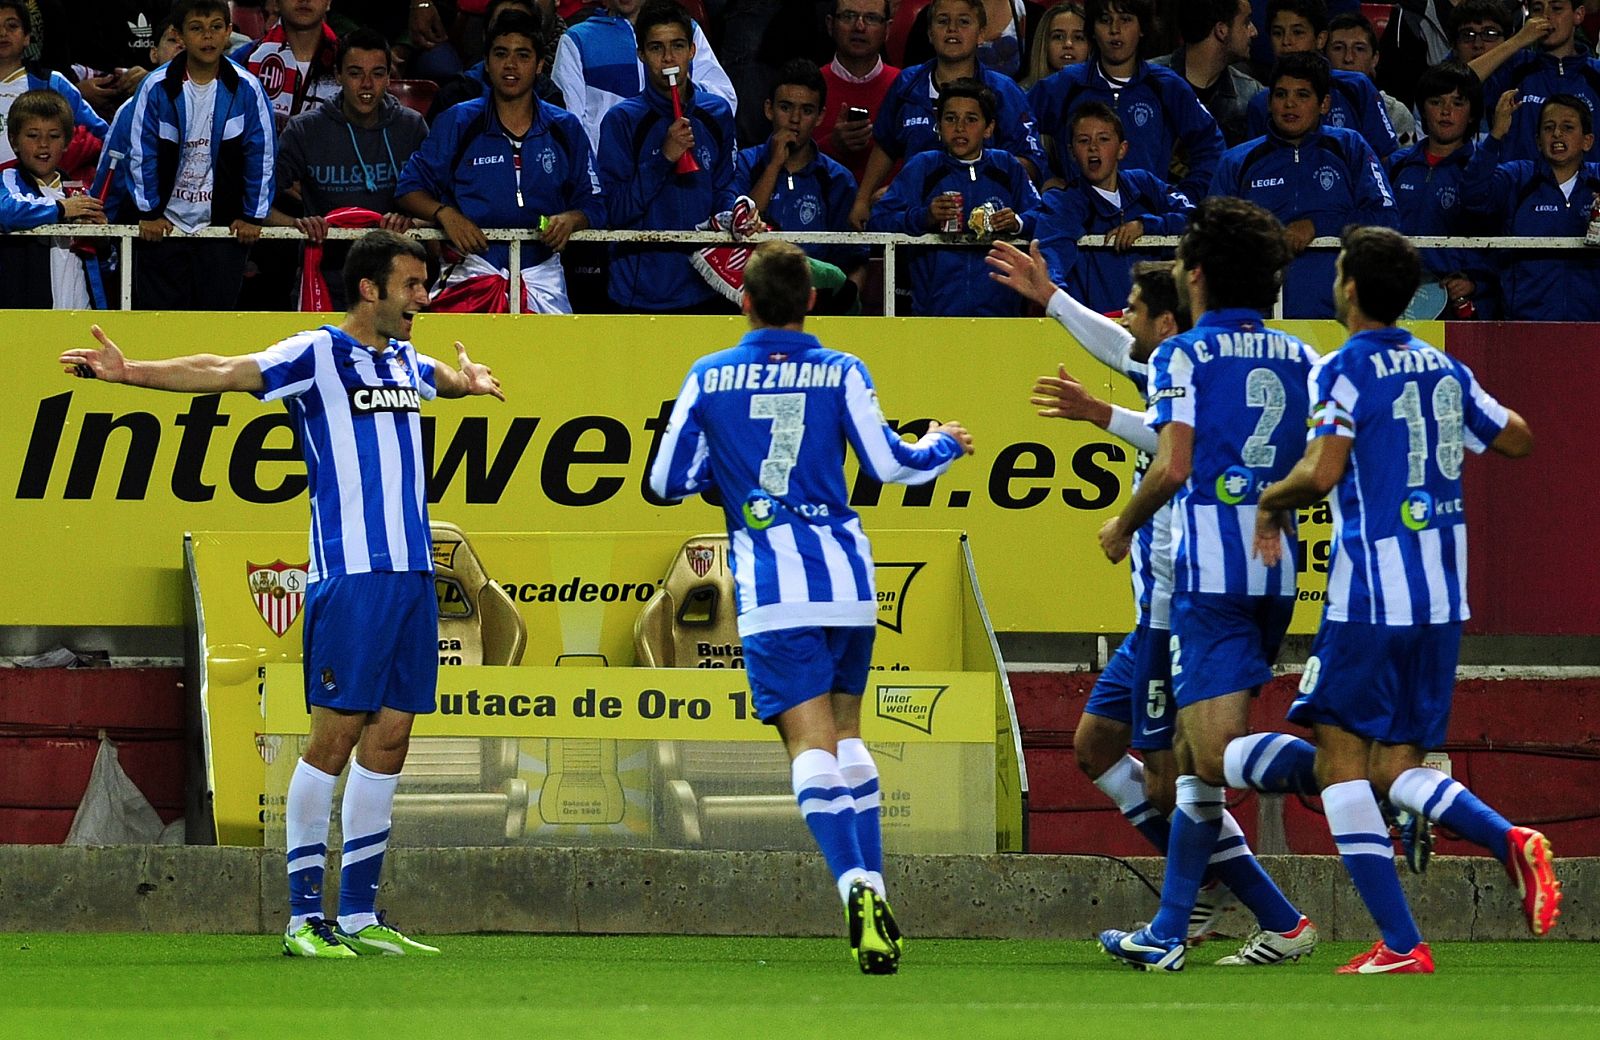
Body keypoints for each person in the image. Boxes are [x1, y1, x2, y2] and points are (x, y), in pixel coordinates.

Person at [57, 228, 506, 958]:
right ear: (370, 289)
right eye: (413, 285)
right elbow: (223, 368)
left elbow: (441, 380)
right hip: (350, 579)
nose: (424, 297)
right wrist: (128, 371)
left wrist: (469, 383)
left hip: (414, 577)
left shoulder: (403, 360)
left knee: (392, 736)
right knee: (334, 739)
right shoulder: (313, 354)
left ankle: (358, 914)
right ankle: (304, 919)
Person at [990, 237, 1338, 958]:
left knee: (1174, 776)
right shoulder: (1214, 362)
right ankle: (1214, 893)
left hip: (1183, 601)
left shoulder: (1187, 377)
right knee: (1099, 748)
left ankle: (1247, 908)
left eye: (1142, 310)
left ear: (1176, 317)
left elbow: (1171, 451)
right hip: (1184, 597)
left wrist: (1101, 433)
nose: (1127, 320)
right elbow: (1121, 348)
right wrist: (1051, 299)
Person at [648, 239, 974, 975]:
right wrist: (943, 443)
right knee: (850, 732)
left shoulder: (709, 375)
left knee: (808, 746)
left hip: (773, 586)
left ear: (745, 301)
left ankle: (855, 886)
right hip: (850, 581)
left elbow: (666, 482)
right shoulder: (842, 369)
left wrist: (717, 474)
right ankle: (877, 889)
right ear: (813, 303)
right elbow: (892, 466)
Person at [1240, 225, 1557, 974]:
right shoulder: (1443, 368)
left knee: (1342, 763)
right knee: (1395, 770)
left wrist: (1270, 501)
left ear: (1347, 287)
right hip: (1444, 599)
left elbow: (1322, 474)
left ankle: (1406, 938)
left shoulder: (1342, 368)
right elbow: (1517, 439)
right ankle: (1507, 842)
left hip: (1371, 595)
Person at [1095, 195, 1320, 973]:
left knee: (1212, 755)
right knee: (1194, 763)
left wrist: (1125, 522)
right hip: (1275, 570)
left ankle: (1360, 770)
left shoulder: (1181, 355)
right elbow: (1324, 466)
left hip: (1211, 579)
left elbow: (1175, 463)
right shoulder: (1302, 357)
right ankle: (1174, 931)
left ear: (1195, 277)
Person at [398, 9, 604, 314]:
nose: (511, 65)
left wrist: (573, 219)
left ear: (539, 66)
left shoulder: (565, 127)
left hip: (543, 279)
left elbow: (596, 203)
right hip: (470, 273)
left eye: (523, 55)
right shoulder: (458, 121)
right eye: (501, 54)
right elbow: (408, 188)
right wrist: (445, 214)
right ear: (487, 64)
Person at [1211, 52, 1399, 319]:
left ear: (1324, 104)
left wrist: (1317, 226)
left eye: (1302, 95)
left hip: (1343, 321)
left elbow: (1387, 218)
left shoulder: (1350, 147)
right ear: (1268, 102)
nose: (1290, 105)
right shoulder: (1237, 161)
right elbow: (1211, 239)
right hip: (1256, 323)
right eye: (1280, 95)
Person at [124, 0, 276, 311]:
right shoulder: (154, 86)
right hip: (163, 228)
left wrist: (251, 216)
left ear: (229, 32)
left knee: (215, 325)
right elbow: (140, 152)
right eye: (197, 28)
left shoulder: (248, 88)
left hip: (222, 229)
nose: (207, 37)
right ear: (179, 35)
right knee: (161, 325)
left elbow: (262, 154)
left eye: (216, 27)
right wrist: (150, 211)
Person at [267, 28, 428, 311]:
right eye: (355, 73)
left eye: (377, 74)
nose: (367, 84)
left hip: (395, 281)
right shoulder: (305, 129)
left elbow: (444, 206)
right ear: (338, 76)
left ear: (390, 77)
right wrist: (296, 225)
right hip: (323, 278)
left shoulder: (411, 127)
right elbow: (256, 202)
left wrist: (412, 223)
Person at [848, 0, 1046, 229]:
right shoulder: (906, 84)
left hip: (988, 220)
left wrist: (976, 187)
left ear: (981, 34)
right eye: (943, 21)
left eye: (963, 22)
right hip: (919, 222)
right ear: (930, 33)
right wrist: (863, 199)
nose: (952, 29)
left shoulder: (1004, 91)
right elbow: (886, 144)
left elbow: (1031, 161)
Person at [596, 0, 737, 314]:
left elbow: (724, 187)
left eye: (677, 46)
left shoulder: (717, 113)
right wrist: (664, 158)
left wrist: (734, 212)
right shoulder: (621, 121)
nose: (668, 58)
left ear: (692, 51)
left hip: (708, 286)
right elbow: (614, 211)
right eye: (657, 48)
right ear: (641, 54)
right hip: (640, 293)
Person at [867, 78, 1039, 316]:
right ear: (938, 125)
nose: (959, 128)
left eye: (971, 119)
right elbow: (878, 220)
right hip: (933, 315)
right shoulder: (924, 166)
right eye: (950, 118)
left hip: (1001, 317)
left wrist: (1018, 223)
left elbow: (1044, 216)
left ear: (989, 128)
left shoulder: (1007, 167)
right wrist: (924, 218)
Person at [1027, 0, 1225, 200]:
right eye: (1105, 20)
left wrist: (1184, 198)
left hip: (1147, 223)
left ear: (1142, 28)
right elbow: (1016, 135)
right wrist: (1045, 178)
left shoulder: (1166, 86)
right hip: (1078, 221)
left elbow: (1210, 146)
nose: (1115, 29)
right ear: (1092, 30)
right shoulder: (1065, 85)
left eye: (1126, 19)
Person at [1032, 101, 1193, 314]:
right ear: (1072, 152)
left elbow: (1195, 218)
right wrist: (1063, 309)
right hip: (1098, 329)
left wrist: (1147, 225)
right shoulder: (1064, 203)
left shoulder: (1146, 185)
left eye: (1104, 139)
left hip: (1153, 327)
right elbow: (1051, 259)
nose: (1093, 147)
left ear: (1122, 149)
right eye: (1083, 140)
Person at [1461, 91, 1600, 321]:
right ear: (1537, 141)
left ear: (1587, 141)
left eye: (1567, 127)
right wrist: (1495, 135)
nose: (1557, 133)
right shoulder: (1518, 177)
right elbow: (1471, 196)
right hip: (1526, 327)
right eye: (1548, 127)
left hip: (1592, 329)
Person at [734, 59, 866, 285]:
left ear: (821, 116)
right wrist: (774, 165)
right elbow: (739, 227)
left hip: (816, 305)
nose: (794, 119)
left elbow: (855, 261)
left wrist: (843, 310)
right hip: (751, 297)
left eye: (806, 110)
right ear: (769, 109)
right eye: (785, 107)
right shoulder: (744, 163)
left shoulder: (838, 179)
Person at [551, 0, 737, 155]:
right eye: (655, 47)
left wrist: (687, 91)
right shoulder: (577, 39)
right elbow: (568, 123)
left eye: (677, 46)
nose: (667, 54)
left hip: (683, 167)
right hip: (612, 176)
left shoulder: (683, 29)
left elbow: (725, 101)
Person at [1386, 60, 1497, 318]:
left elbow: (1500, 240)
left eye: (1458, 103)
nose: (1446, 111)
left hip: (1455, 302)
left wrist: (1476, 283)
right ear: (1422, 109)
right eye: (1436, 102)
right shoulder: (1396, 166)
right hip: (1396, 298)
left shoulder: (1483, 172)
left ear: (1472, 113)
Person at [1246, 0, 1398, 160]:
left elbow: (1384, 156)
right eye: (1277, 33)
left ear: (1321, 39)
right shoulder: (1260, 104)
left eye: (1298, 32)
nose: (1286, 42)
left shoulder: (1356, 87)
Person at [0, 90, 107, 308]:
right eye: (32, 135)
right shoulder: (8, 179)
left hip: (82, 313)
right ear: (14, 141)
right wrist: (61, 209)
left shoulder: (79, 193)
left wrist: (101, 234)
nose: (43, 144)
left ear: (67, 142)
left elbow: (104, 260)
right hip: (28, 319)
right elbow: (6, 211)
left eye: (54, 136)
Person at [1475, 0, 1600, 164]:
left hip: (1584, 187)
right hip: (1517, 186)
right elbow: (1456, 83)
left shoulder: (1596, 73)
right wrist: (1517, 41)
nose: (1545, 17)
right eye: (1537, 9)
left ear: (1578, 15)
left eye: (1556, 9)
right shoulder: (1514, 66)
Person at [91, 11, 185, 225]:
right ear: (153, 54)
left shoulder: (228, 99)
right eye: (172, 40)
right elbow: (111, 178)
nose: (181, 46)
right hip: (150, 227)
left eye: (186, 39)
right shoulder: (131, 109)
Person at [0, 0, 109, 173]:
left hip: (40, 193)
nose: (2, 33)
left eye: (12, 26)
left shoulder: (52, 83)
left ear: (27, 37)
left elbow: (102, 136)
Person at [426, 0, 567, 122]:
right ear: (485, 37)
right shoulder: (454, 98)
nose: (510, 64)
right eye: (501, 27)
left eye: (520, 26)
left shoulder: (551, 100)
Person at [1151, 0, 1262, 148]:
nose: (1254, 32)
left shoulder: (1250, 94)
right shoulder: (1147, 79)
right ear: (1221, 30)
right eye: (1246, 22)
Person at [813, 0, 900, 184]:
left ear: (888, 29)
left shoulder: (905, 87)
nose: (859, 26)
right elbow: (784, 160)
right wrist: (832, 146)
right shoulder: (808, 86)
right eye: (848, 16)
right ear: (830, 24)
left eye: (871, 18)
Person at [231, 0, 339, 133]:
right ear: (276, 3)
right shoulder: (244, 59)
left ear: (328, 2)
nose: (304, 0)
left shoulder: (348, 63)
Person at [1324, 12, 1415, 149]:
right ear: (1324, 56)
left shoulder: (1396, 113)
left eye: (1359, 49)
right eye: (1338, 48)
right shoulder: (1311, 107)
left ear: (1374, 59)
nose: (1348, 58)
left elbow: (1401, 166)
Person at [1020, 2, 1090, 91]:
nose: (1068, 44)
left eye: (1078, 37)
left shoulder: (1102, 94)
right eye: (1058, 37)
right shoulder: (1022, 94)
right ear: (1044, 43)